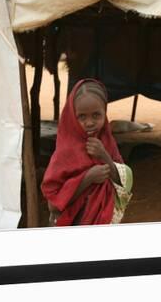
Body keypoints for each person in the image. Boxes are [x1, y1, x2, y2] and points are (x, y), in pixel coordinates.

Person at [41, 78, 133, 227]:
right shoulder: (65, 151)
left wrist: (104, 155)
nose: (89, 122)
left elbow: (123, 184)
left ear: (105, 113)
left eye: (96, 115)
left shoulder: (107, 142)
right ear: (72, 116)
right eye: (82, 117)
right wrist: (87, 179)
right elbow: (53, 204)